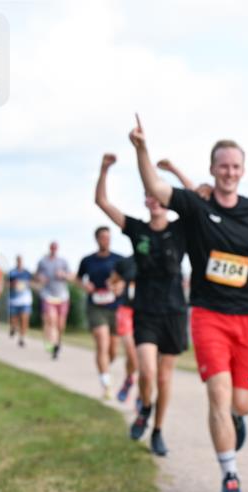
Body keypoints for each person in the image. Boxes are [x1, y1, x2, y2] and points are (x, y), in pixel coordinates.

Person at [135, 126, 248, 492]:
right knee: (218, 395)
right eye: (222, 166)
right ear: (212, 169)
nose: (229, 172)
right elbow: (157, 188)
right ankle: (230, 477)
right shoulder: (196, 207)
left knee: (242, 404)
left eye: (235, 166)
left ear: (243, 170)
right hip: (209, 315)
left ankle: (236, 419)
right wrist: (143, 149)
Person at [96, 150, 186, 457]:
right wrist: (104, 170)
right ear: (146, 201)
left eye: (161, 196)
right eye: (150, 195)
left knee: (164, 376)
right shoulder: (138, 230)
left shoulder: (180, 229)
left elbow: (203, 200)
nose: (156, 200)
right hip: (145, 311)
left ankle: (158, 430)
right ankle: (145, 407)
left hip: (174, 311)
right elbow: (103, 203)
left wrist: (173, 170)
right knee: (147, 372)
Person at [77, 227, 124, 399]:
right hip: (96, 306)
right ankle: (106, 384)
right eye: (103, 238)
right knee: (102, 343)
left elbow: (126, 280)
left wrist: (118, 286)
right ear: (97, 239)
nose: (106, 240)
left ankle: (105, 367)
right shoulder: (88, 260)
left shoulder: (118, 260)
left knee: (113, 349)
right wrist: (85, 286)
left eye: (108, 238)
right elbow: (78, 278)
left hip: (114, 306)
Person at [109, 255, 139, 404]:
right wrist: (115, 287)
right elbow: (111, 281)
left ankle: (142, 394)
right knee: (131, 352)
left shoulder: (157, 258)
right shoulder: (125, 263)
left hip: (147, 312)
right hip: (126, 310)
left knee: (145, 356)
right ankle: (129, 380)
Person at [35, 242, 71, 359]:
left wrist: (63, 275)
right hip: (48, 295)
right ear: (49, 248)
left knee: (60, 324)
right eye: (52, 247)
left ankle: (58, 342)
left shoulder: (63, 261)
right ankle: (53, 346)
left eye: (55, 248)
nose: (54, 249)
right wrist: (40, 278)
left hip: (62, 296)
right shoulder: (43, 261)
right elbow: (37, 275)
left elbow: (71, 277)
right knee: (51, 320)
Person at [7, 256, 33, 347]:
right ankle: (13, 327)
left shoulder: (27, 273)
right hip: (14, 300)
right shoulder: (11, 273)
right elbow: (6, 284)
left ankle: (22, 338)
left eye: (21, 261)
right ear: (16, 261)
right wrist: (12, 285)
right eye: (18, 261)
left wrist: (29, 284)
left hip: (25, 300)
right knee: (13, 320)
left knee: (24, 319)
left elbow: (33, 283)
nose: (19, 262)